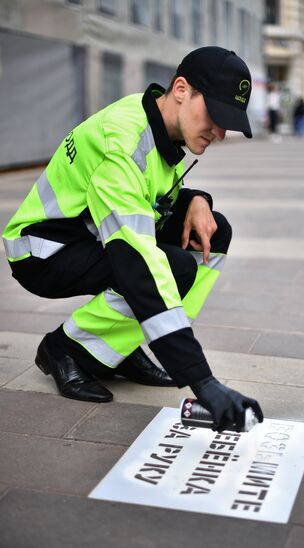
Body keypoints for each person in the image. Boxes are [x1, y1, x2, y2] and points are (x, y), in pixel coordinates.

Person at [2, 46, 263, 432]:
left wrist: (194, 200)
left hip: (89, 235)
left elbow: (151, 198)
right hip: (42, 249)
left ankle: (114, 348)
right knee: (168, 268)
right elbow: (138, 260)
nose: (220, 133)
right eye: (216, 115)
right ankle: (64, 349)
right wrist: (201, 380)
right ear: (180, 89)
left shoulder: (157, 125)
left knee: (213, 232)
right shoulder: (123, 141)